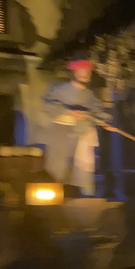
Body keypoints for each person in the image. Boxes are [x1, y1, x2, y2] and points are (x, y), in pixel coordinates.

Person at [41, 60, 112, 195]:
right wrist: (69, 112)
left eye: (87, 74)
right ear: (74, 73)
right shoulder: (60, 89)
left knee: (80, 165)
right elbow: (48, 105)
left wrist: (104, 121)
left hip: (81, 133)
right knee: (58, 164)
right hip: (61, 131)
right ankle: (55, 192)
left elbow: (96, 111)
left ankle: (80, 195)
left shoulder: (89, 94)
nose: (85, 76)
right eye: (82, 73)